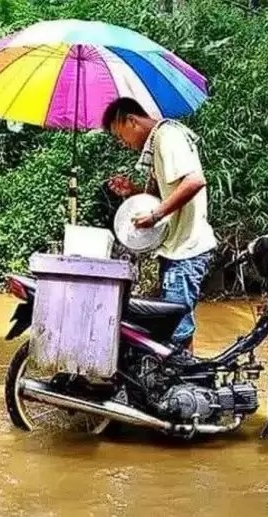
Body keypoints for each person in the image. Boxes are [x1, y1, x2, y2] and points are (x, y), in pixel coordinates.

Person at [102, 97, 217, 354]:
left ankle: (184, 388)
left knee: (177, 330)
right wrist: (132, 192)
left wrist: (155, 216)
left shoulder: (167, 136)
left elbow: (195, 181)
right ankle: (184, 385)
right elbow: (167, 194)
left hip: (186, 250)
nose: (124, 143)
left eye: (121, 136)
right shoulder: (158, 142)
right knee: (175, 327)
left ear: (131, 121)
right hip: (176, 249)